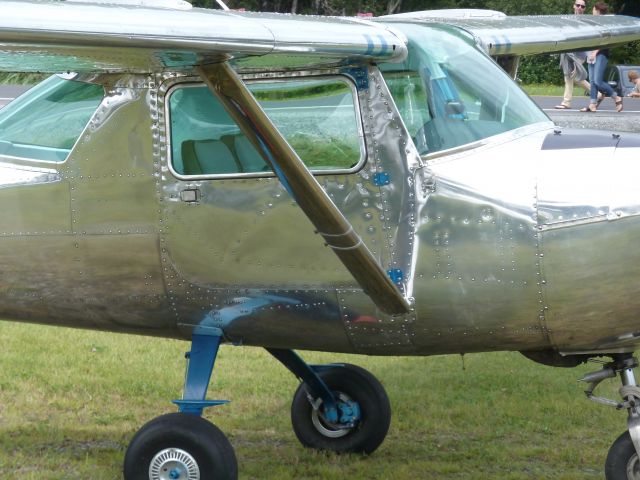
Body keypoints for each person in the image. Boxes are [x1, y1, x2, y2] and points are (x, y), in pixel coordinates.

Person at [581, 2, 624, 112]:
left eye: (593, 9)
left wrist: (595, 52)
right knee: (592, 81)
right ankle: (592, 104)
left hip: (601, 54)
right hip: (590, 54)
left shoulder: (604, 23)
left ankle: (616, 97)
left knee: (598, 81)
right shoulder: (593, 22)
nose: (592, 11)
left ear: (596, 10)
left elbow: (606, 39)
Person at [554, 0, 590, 109]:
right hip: (568, 52)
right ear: (574, 6)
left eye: (582, 6)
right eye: (578, 5)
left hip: (579, 54)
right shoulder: (568, 19)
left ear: (584, 9)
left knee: (570, 77)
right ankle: (597, 94)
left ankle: (566, 102)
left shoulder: (584, 22)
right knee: (571, 77)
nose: (580, 7)